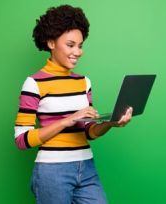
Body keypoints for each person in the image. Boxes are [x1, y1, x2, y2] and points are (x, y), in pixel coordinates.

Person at [14, 4, 132, 204]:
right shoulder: (34, 83)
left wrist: (110, 123)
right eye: (70, 45)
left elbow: (88, 132)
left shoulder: (83, 82)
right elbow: (22, 140)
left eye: (80, 45)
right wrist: (67, 120)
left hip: (86, 166)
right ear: (51, 42)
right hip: (52, 171)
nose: (78, 52)